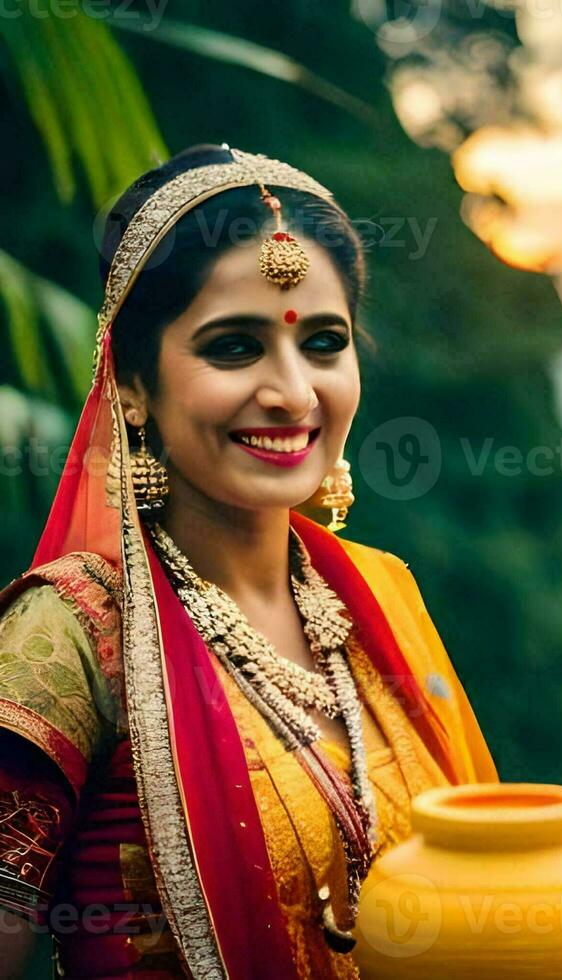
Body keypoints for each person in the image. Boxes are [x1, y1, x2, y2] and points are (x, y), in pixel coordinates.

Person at [0, 145, 497, 978]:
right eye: (234, 348)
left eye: (325, 344)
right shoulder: (70, 638)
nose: (295, 393)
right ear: (131, 382)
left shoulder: (379, 599)